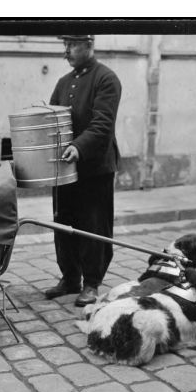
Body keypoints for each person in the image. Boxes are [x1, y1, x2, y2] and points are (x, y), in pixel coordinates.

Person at [45, 35, 122, 307]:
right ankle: (69, 278)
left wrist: (78, 147)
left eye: (72, 44)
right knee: (63, 222)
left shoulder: (106, 79)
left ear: (89, 45)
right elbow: (52, 119)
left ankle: (91, 283)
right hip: (65, 168)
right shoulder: (64, 82)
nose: (66, 51)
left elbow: (103, 125)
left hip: (94, 167)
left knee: (93, 225)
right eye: (64, 44)